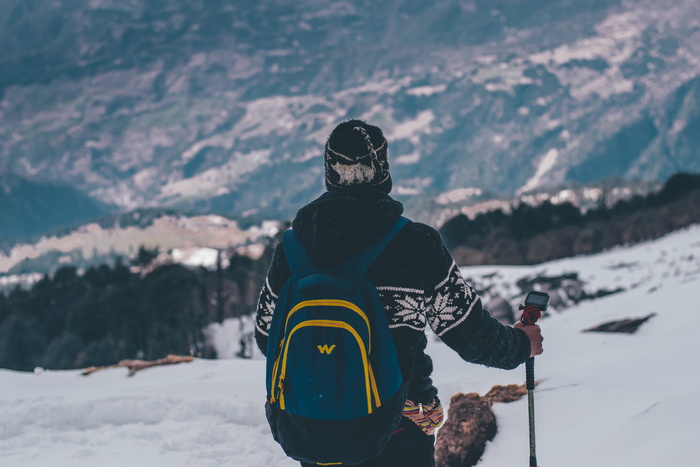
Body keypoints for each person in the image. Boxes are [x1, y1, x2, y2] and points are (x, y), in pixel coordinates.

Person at [255, 119, 544, 467]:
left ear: (329, 172)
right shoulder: (416, 244)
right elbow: (470, 336)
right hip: (397, 428)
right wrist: (521, 344)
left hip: (314, 428)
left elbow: (266, 336)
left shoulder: (293, 247)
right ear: (383, 170)